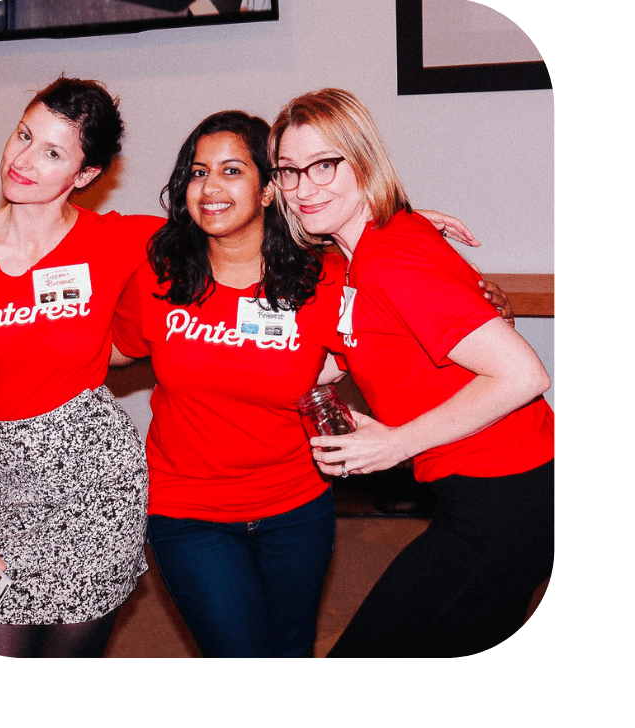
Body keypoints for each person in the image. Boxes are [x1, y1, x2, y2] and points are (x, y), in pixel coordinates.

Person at [110, 110, 511, 657]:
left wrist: (416, 229)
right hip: (188, 511)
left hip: (296, 508)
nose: (210, 187)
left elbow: (412, 301)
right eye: (198, 172)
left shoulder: (327, 278)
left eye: (232, 170)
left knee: (293, 647)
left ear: (271, 189)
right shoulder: (159, 275)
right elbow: (106, 350)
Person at [268, 88, 555, 658]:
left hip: (505, 495)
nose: (306, 187)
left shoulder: (390, 256)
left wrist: (396, 442)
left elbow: (523, 374)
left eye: (324, 164)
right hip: (481, 490)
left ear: (363, 160)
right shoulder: (349, 258)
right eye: (289, 171)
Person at [0, 77, 163, 657]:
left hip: (98, 488)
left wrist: (378, 229)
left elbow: (239, 237)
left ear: (83, 176)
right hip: (5, 490)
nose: (23, 160)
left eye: (52, 152)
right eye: (24, 135)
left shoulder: (119, 239)